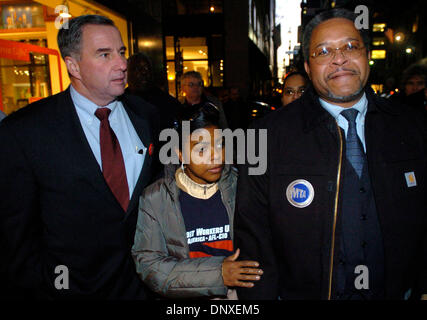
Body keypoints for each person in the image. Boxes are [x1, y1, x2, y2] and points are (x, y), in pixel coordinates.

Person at [234, 8, 426, 300]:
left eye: (350, 46)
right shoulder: (264, 136)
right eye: (323, 52)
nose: (339, 58)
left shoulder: (413, 128)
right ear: (309, 68)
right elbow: (254, 239)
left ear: (366, 55)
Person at [0, 15, 159, 299]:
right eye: (104, 54)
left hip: (143, 289)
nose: (122, 64)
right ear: (73, 65)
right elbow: (17, 238)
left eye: (122, 52)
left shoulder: (147, 117)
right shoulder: (24, 132)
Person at [132, 102, 263, 299]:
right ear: (180, 153)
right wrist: (218, 274)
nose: (216, 156)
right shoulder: (156, 198)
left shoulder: (242, 187)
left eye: (220, 144)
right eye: (201, 149)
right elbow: (149, 266)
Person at [127, 52, 183, 178]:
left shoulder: (168, 103)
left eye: (147, 69)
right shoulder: (118, 104)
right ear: (127, 73)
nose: (143, 73)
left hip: (162, 170)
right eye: (137, 69)